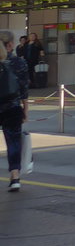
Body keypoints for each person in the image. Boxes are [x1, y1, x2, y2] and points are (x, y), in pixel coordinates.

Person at [2, 37, 30, 191]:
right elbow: (24, 88)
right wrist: (25, 109)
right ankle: (15, 176)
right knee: (13, 141)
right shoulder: (19, 63)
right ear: (10, 44)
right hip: (12, 106)